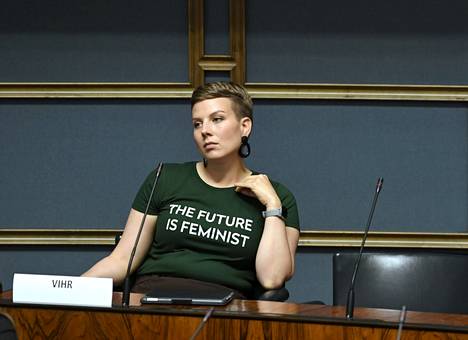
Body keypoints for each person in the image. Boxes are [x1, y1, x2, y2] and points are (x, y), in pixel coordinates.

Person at [83, 82, 300, 299]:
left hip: (225, 309)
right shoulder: (165, 178)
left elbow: (272, 279)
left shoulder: (278, 196)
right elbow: (121, 260)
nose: (205, 130)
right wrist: (67, 291)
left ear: (245, 126)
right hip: (150, 298)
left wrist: (272, 206)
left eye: (217, 119)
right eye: (197, 124)